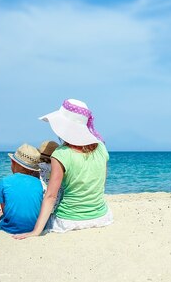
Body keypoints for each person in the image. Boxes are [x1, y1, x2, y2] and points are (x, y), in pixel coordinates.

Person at [14, 99, 112, 239]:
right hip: (101, 217)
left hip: (69, 220)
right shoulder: (101, 148)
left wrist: (36, 231)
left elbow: (51, 196)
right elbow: (101, 183)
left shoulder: (61, 154)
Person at [0, 144, 44, 234]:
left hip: (9, 229)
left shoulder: (4, 182)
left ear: (13, 162)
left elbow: (5, 210)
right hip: (35, 227)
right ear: (33, 169)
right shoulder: (38, 183)